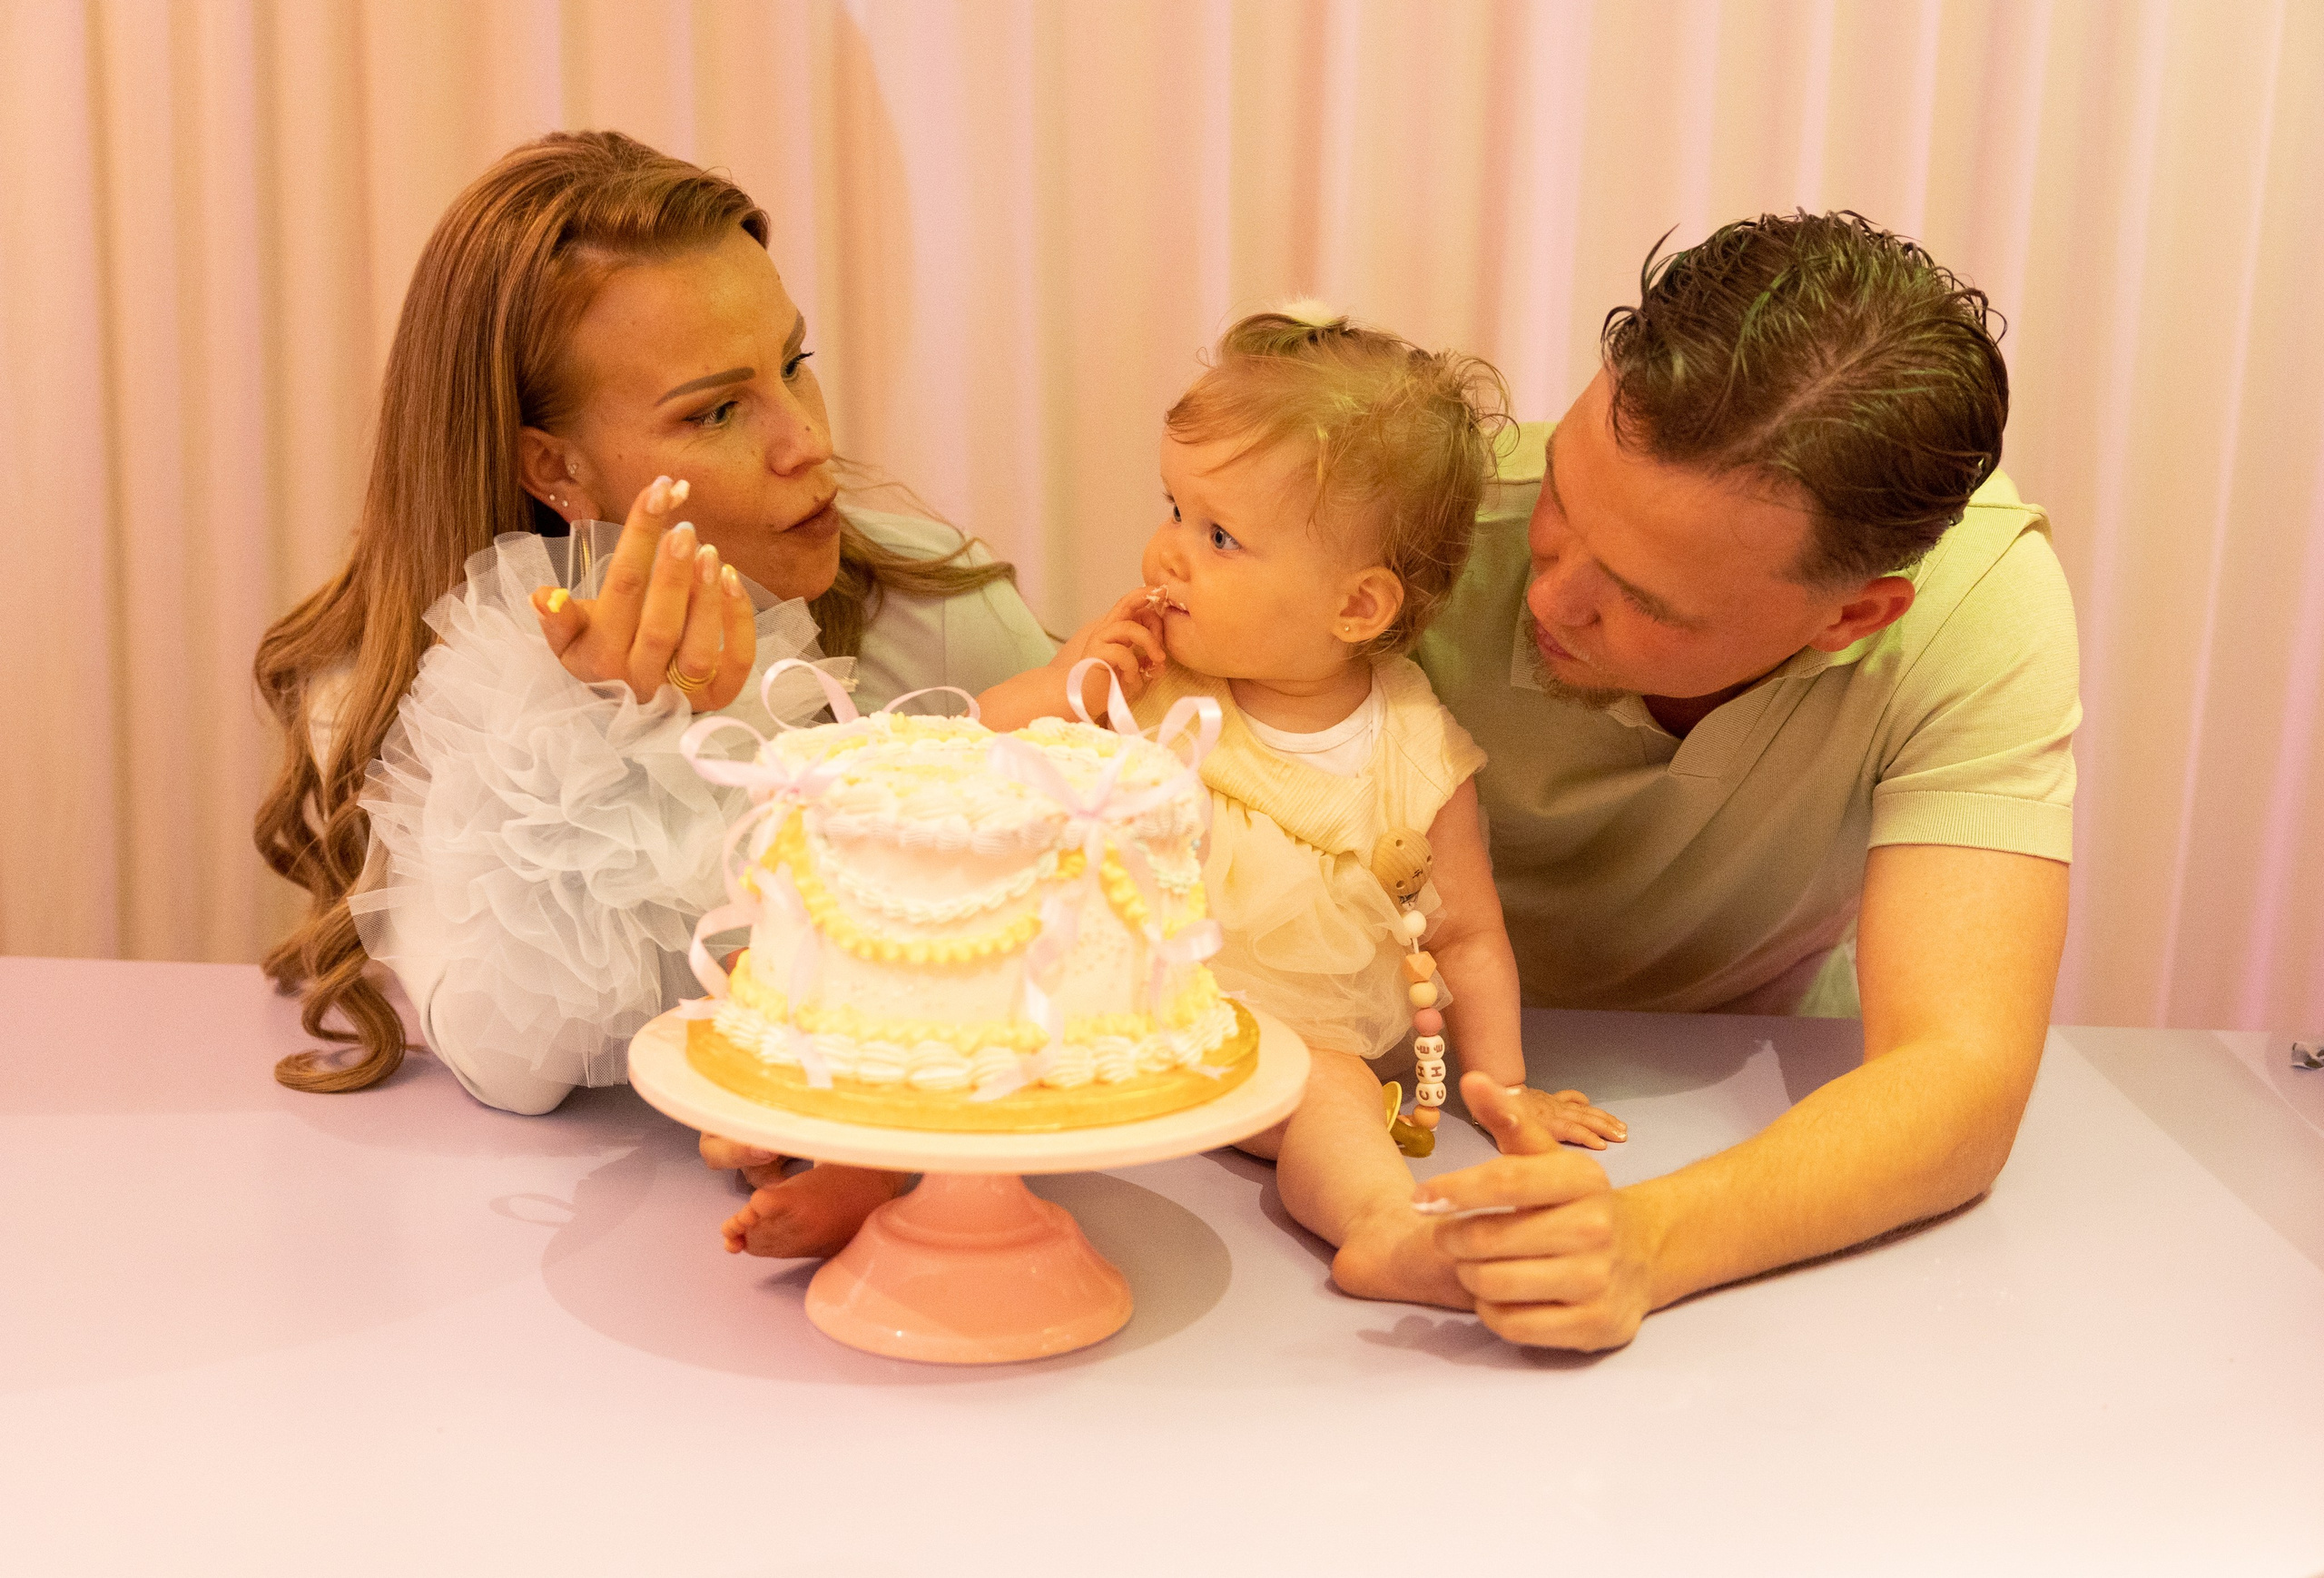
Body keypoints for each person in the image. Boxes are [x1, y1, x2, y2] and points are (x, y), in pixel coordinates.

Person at [251, 131, 1053, 1254]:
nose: (806, 441)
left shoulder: (939, 604)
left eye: (795, 361)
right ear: (556, 469)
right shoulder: (400, 695)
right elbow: (513, 1068)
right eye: (717, 411)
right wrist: (623, 733)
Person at [842, 305, 1620, 1305]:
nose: (1167, 554)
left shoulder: (1416, 743)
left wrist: (1505, 1089)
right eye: (1171, 508)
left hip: (1282, 1050)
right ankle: (847, 1178)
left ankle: (1386, 1225)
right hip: (1118, 1021)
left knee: (1330, 1088)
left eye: (1218, 535)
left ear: (1356, 607)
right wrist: (1057, 689)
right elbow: (967, 764)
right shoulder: (1153, 691)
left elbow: (1466, 931)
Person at [1405, 212, 2080, 1349]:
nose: (1546, 594)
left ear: (1851, 616)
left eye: (1645, 599)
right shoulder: (1425, 520)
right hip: (1408, 1092)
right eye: (1563, 498)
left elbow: (1960, 1074)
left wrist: (1651, 1239)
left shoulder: (1979, 606)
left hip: (1750, 1115)